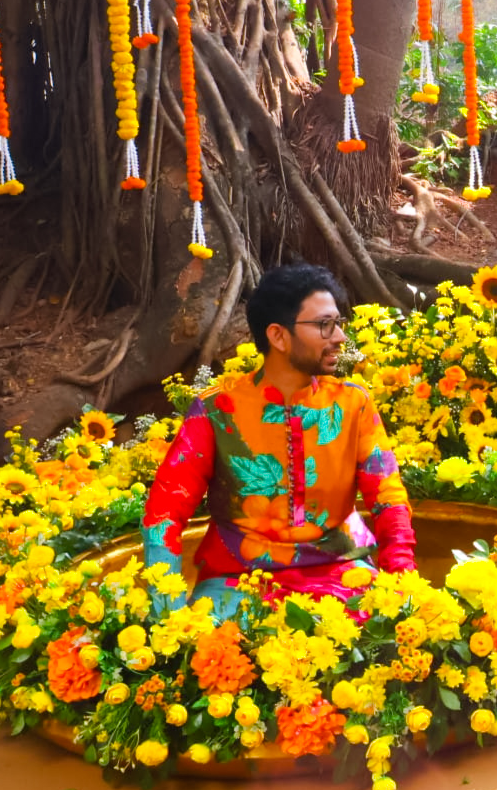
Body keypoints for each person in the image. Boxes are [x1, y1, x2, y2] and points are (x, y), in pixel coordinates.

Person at [142, 264, 415, 618]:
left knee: (388, 638)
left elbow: (388, 498)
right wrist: (168, 613)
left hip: (343, 572)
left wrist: (402, 586)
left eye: (338, 323)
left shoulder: (353, 403)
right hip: (237, 580)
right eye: (324, 325)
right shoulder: (216, 410)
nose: (339, 337)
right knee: (216, 648)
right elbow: (165, 511)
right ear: (278, 336)